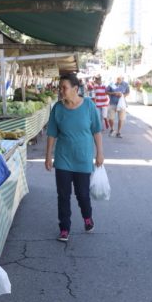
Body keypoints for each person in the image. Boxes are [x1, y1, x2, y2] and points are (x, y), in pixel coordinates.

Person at [45, 73, 104, 242]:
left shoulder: (89, 106)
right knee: (63, 195)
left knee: (82, 194)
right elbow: (51, 134)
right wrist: (48, 156)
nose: (61, 91)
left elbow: (96, 130)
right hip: (63, 158)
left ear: (75, 89)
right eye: (60, 87)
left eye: (64, 88)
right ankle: (64, 228)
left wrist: (100, 153)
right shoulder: (58, 108)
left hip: (83, 158)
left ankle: (87, 217)